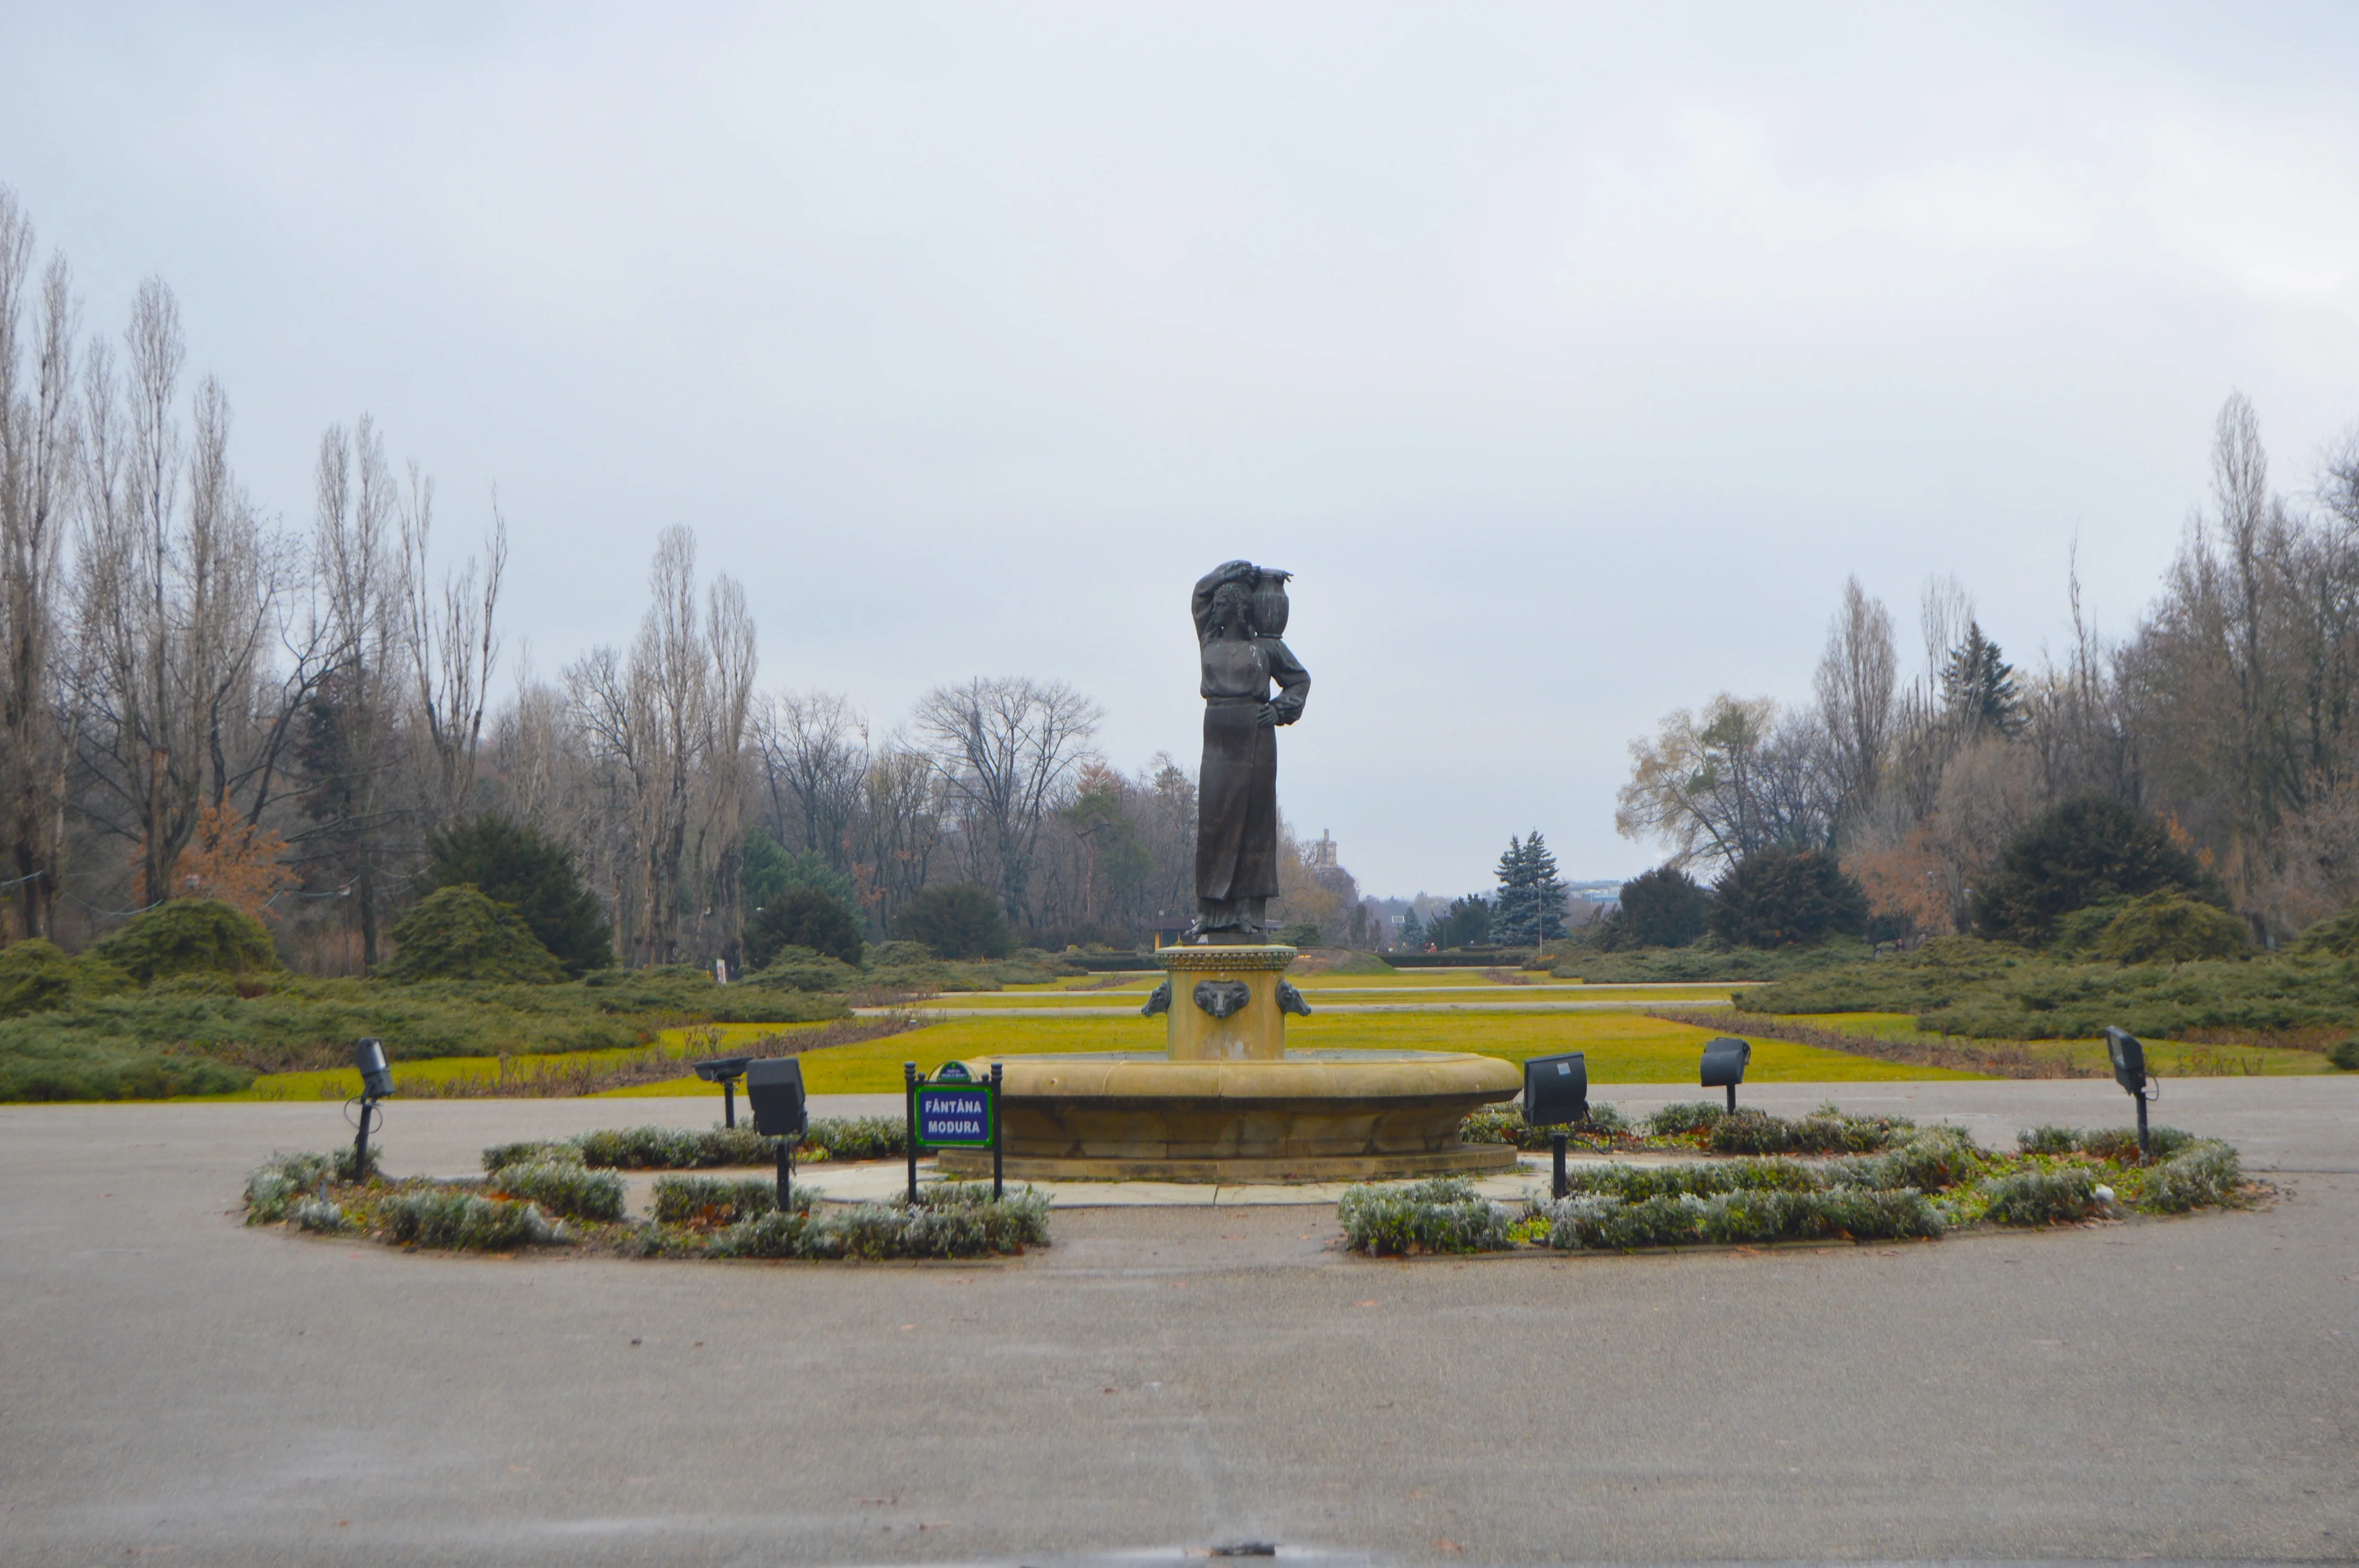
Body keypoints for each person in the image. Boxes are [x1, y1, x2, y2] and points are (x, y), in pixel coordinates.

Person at [1187, 559, 1310, 941]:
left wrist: (1277, 710)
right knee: (1214, 823)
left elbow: (1299, 681)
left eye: (1223, 605)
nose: (1215, 611)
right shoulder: (1210, 641)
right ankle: (1211, 911)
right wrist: (1230, 572)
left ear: (1239, 608)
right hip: (1218, 741)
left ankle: (1246, 912)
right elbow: (1199, 596)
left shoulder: (1266, 648)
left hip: (1256, 739)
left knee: (1254, 826)